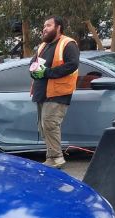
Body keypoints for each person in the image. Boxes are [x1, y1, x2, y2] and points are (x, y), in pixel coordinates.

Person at [30, 16, 80, 168]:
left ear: (58, 28)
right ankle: (51, 156)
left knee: (50, 124)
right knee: (44, 126)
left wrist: (47, 73)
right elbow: (33, 64)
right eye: (44, 26)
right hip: (42, 93)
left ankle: (56, 158)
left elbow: (72, 65)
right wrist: (34, 72)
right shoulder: (43, 46)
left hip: (58, 93)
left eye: (48, 25)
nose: (44, 28)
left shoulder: (67, 44)